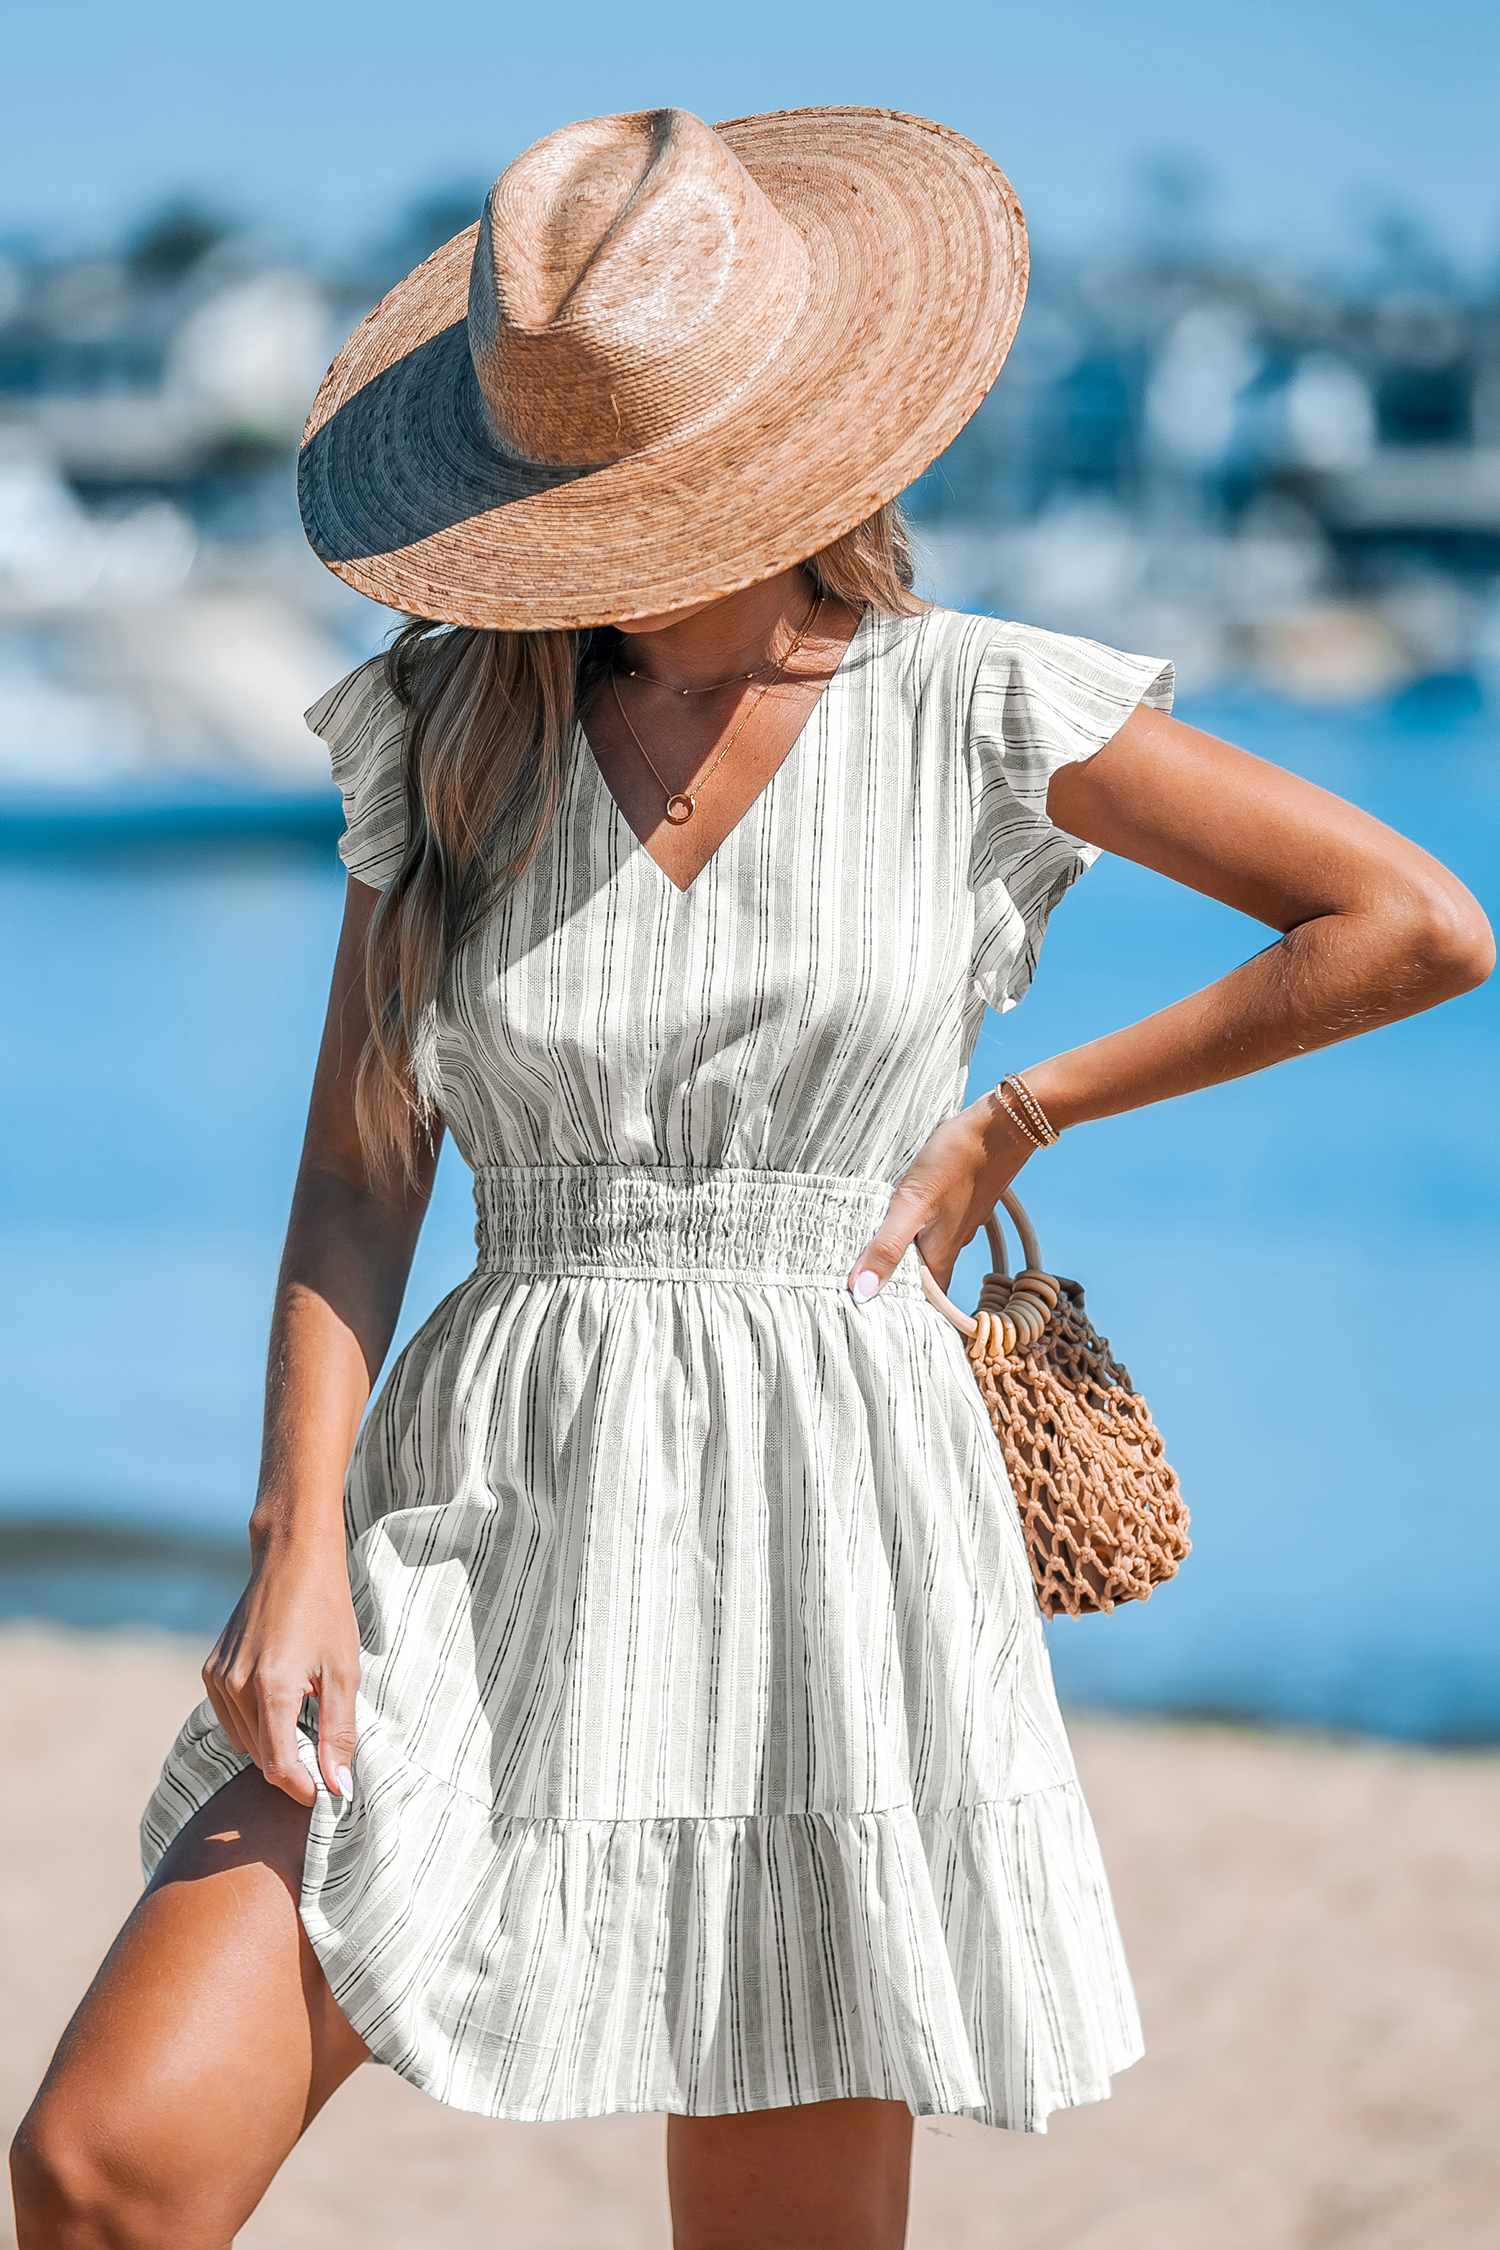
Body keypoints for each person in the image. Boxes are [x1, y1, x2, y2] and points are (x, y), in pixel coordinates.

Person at [11, 105, 1490, 2250]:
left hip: (836, 1523)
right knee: (106, 2167)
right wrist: (293, 1540)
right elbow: (360, 1172)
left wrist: (1022, 1114)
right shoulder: (453, 725)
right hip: (486, 1497)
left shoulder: (981, 707)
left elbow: (1413, 924)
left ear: (801, 445)